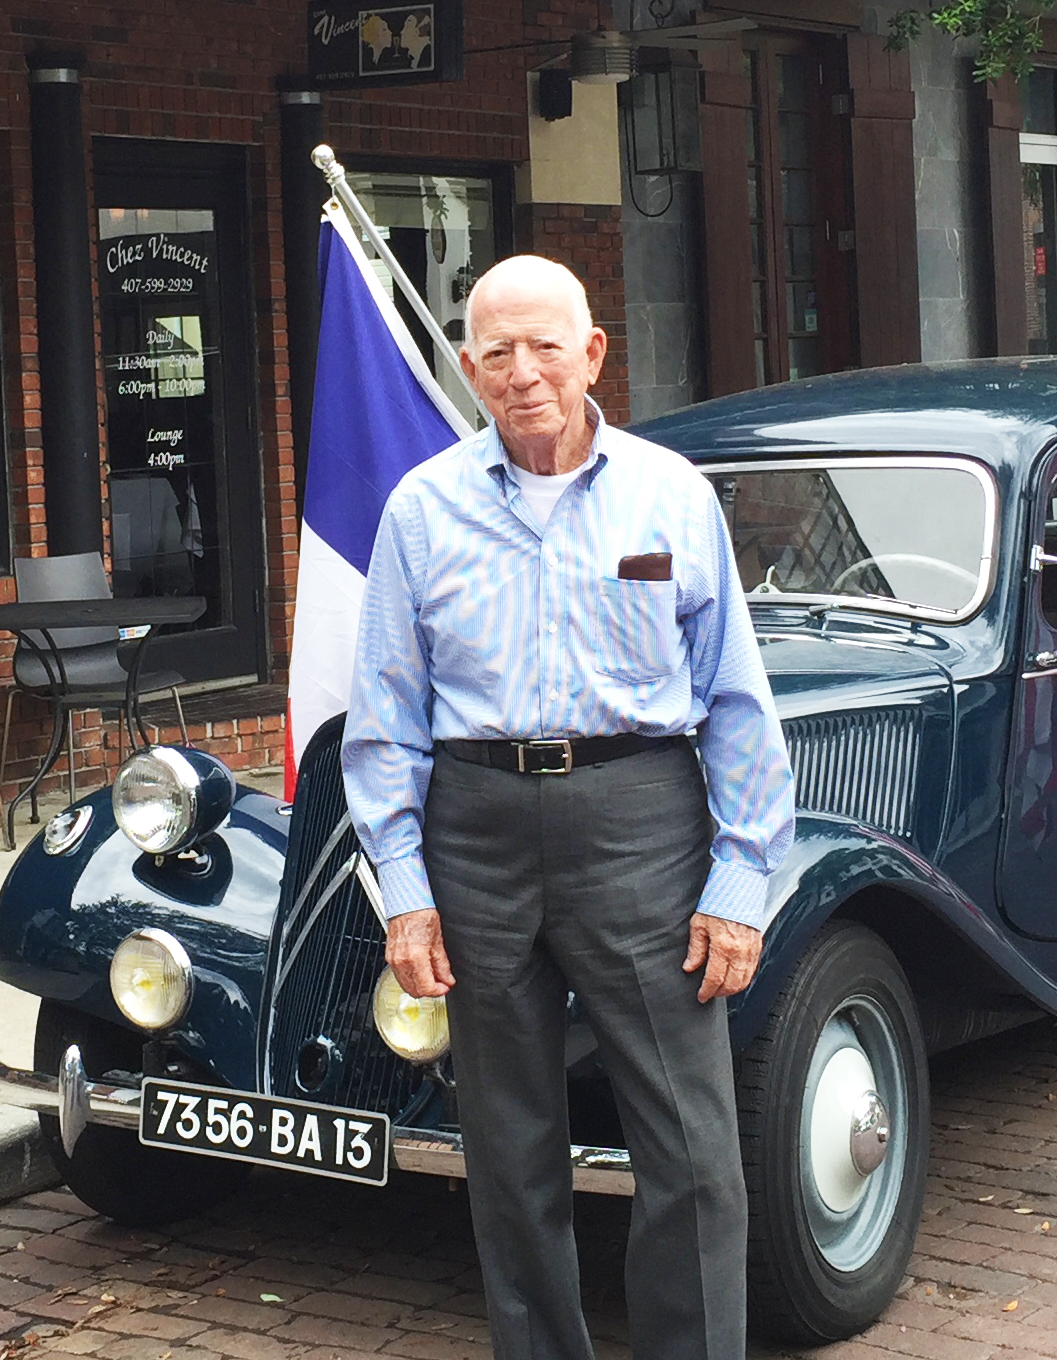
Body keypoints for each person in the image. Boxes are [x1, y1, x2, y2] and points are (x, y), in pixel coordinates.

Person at [340, 254, 796, 1360]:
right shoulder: (421, 509)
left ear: (591, 354)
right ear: (468, 368)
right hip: (475, 830)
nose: (523, 371)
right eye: (497, 351)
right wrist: (403, 890)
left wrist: (741, 880)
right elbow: (386, 716)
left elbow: (736, 700)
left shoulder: (669, 496)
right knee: (507, 1149)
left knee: (690, 1147)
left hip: (639, 824)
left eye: (545, 345)